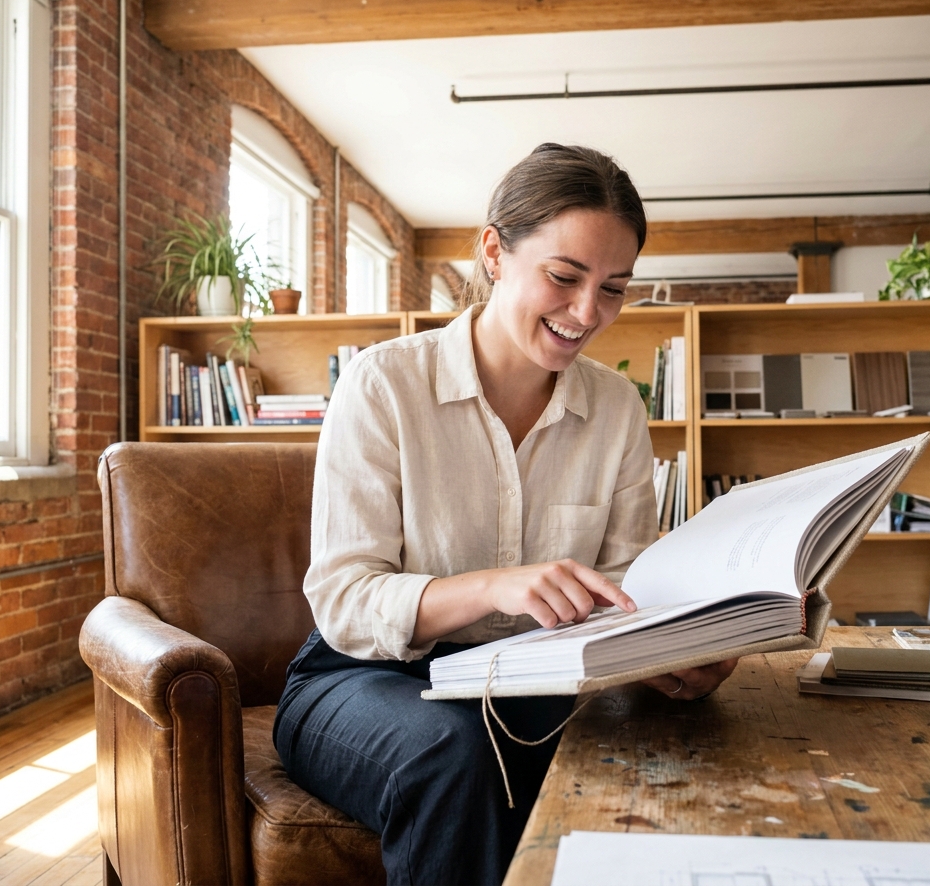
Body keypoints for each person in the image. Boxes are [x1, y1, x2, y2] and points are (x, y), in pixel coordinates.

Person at [274, 143, 738, 886]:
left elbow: (626, 584)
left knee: (667, 739)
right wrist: (493, 586)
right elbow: (344, 601)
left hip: (531, 680)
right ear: (494, 252)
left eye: (614, 288)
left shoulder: (616, 407)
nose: (587, 313)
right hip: (365, 678)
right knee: (452, 752)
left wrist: (670, 650)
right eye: (564, 277)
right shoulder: (383, 385)